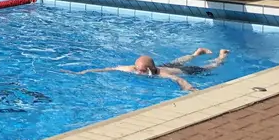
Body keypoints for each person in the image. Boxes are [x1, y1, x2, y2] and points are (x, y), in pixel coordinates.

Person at [67, 48, 230, 92]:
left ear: (151, 70)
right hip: (167, 65)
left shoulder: (162, 74)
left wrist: (189, 88)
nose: (138, 73)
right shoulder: (133, 68)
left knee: (209, 67)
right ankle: (196, 52)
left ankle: (221, 56)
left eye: (142, 71)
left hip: (184, 71)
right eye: (137, 69)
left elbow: (178, 79)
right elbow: (110, 68)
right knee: (177, 60)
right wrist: (85, 72)